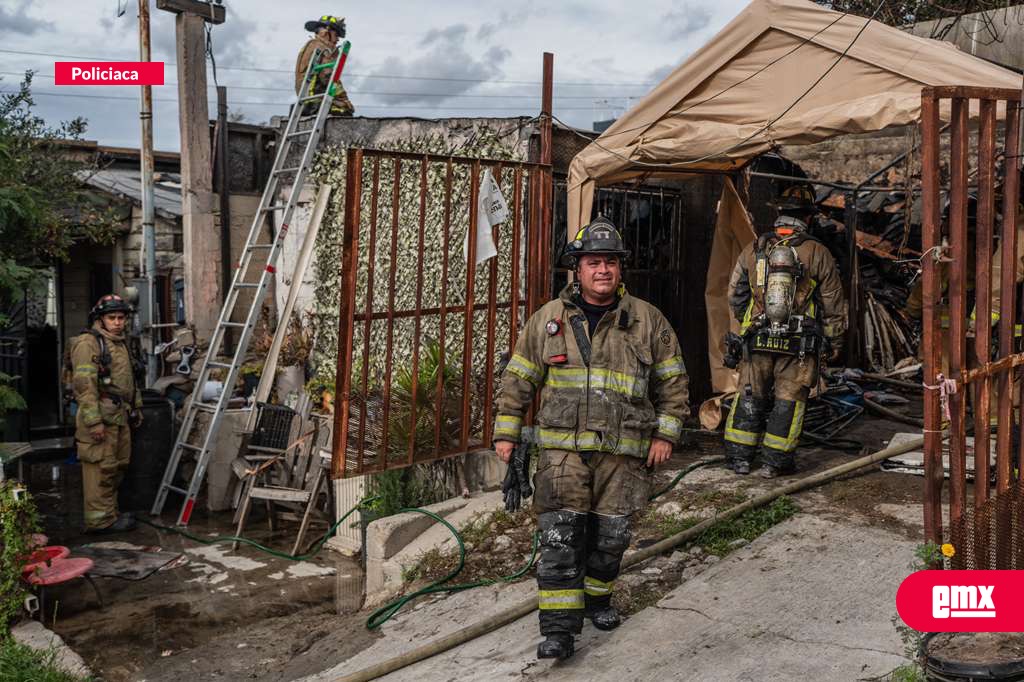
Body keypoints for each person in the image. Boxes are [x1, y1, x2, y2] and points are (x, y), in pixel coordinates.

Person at [493, 216, 690, 660]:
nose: (603, 270)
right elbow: (518, 378)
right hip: (562, 455)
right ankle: (559, 631)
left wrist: (666, 435)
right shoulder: (549, 320)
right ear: (576, 269)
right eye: (594, 262)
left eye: (611, 263)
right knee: (560, 539)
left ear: (621, 270)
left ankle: (598, 598)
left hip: (624, 456)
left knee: (611, 537)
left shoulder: (647, 321)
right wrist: (506, 433)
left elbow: (673, 383)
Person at [723, 186, 847, 478]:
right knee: (789, 399)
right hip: (799, 344)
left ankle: (739, 459)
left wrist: (750, 322)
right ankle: (774, 464)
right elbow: (833, 303)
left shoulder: (753, 248)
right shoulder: (818, 252)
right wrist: (833, 341)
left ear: (779, 213)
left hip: (755, 338)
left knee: (749, 395)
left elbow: (734, 293)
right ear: (808, 216)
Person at [70, 294, 144, 533]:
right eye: (111, 317)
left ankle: (110, 514)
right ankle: (99, 521)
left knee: (117, 466)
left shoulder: (120, 343)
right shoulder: (88, 343)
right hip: (100, 418)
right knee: (100, 469)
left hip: (120, 415)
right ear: (100, 319)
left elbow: (130, 380)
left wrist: (137, 407)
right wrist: (93, 422)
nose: (117, 322)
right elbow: (84, 385)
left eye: (121, 317)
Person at [295, 14, 354, 117]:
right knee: (346, 110)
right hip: (315, 101)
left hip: (307, 100)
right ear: (326, 32)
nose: (337, 40)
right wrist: (344, 99)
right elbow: (329, 77)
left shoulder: (311, 45)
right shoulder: (322, 48)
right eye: (336, 35)